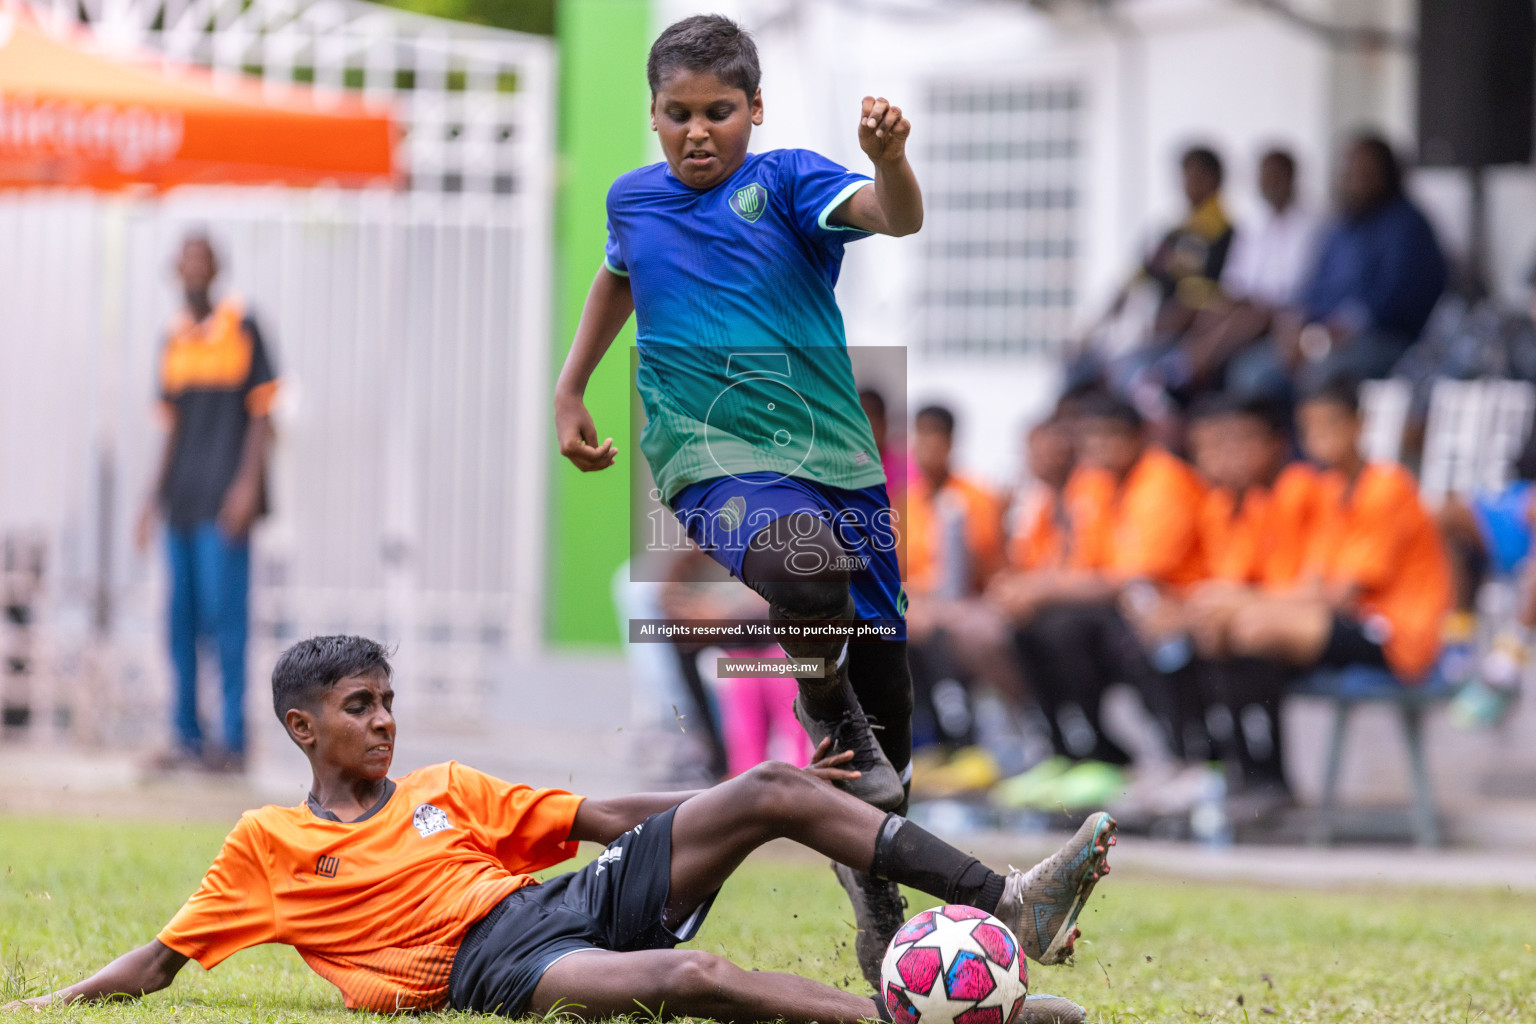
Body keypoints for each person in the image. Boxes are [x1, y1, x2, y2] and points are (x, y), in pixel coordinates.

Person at [4, 635, 1115, 1024]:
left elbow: (602, 818)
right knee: (690, 974)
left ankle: (1004, 898)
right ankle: (909, 1015)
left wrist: (733, 805)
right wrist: (49, 1004)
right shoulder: (266, 846)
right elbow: (162, 957)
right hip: (490, 965)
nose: (385, 721)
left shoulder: (446, 784)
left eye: (388, 700)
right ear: (304, 727)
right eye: (359, 708)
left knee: (775, 781)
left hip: (562, 902)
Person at [551, 15, 922, 982]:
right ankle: (827, 713)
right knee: (805, 564)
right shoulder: (634, 199)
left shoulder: (791, 180)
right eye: (678, 114)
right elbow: (616, 278)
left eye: (719, 111)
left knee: (893, 716)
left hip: (837, 459)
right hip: (705, 454)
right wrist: (570, 385)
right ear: (655, 113)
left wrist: (888, 162)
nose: (698, 131)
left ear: (755, 109)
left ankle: (876, 892)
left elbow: (898, 218)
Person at [989, 394, 1206, 808]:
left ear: (1138, 438)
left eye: (1111, 437)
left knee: (1073, 630)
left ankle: (1181, 758)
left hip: (1170, 603)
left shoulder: (1164, 480)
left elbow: (1136, 575)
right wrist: (1031, 590)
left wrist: (1045, 589)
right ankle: (1073, 752)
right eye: (1093, 439)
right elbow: (1084, 565)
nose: (1100, 448)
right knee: (1029, 629)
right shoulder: (1093, 482)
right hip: (1119, 606)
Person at [134, 234, 279, 774]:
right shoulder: (173, 338)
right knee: (179, 621)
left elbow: (264, 413)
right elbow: (169, 426)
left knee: (227, 622)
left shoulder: (243, 325)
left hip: (226, 506)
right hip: (181, 503)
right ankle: (185, 737)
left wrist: (247, 488)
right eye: (186, 261)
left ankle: (233, 741)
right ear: (176, 271)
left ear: (216, 268)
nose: (194, 270)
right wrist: (150, 499)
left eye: (202, 261)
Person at [1218, 378, 1453, 684]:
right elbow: (1315, 581)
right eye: (1310, 428)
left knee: (1253, 628)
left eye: (1330, 424)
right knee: (1226, 626)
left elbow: (1342, 596)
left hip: (1399, 631)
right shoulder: (1329, 490)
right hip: (1350, 618)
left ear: (1359, 424)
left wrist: (1246, 603)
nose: (1320, 438)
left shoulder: (1387, 487)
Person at [1229, 135, 1448, 399]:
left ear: (1387, 174)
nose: (1353, 179)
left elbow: (1394, 301)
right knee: (1250, 369)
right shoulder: (1341, 227)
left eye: (1365, 172)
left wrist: (1331, 333)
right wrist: (1296, 327)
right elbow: (1313, 288)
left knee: (1320, 375)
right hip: (1320, 336)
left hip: (1384, 339)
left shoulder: (1407, 226)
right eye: (1349, 171)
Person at [901, 405, 1010, 792]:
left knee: (942, 632)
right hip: (921, 608)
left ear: (950, 443)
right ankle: (935, 743)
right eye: (921, 437)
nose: (927, 447)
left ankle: (968, 742)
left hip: (965, 606)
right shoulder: (906, 502)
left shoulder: (975, 498)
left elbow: (985, 569)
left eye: (936, 437)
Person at [1174, 148, 1322, 397]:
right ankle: (1189, 365)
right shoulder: (1253, 224)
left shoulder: (1312, 226)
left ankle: (1187, 369)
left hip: (1283, 315)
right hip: (1247, 310)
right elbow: (1235, 281)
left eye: (1276, 176)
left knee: (1248, 322)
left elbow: (1295, 288)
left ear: (1292, 178)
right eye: (1264, 176)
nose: (1269, 183)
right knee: (1214, 311)